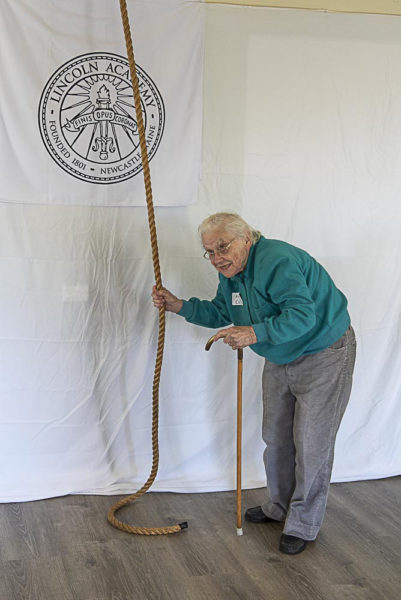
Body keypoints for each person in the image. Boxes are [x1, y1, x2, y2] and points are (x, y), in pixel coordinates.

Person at [152, 212, 356, 555]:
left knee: (311, 443)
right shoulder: (233, 275)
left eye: (223, 247)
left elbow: (302, 315)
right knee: (275, 437)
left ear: (246, 238)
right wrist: (179, 306)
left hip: (324, 352)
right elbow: (224, 310)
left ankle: (304, 523)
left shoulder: (276, 260)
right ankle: (279, 507)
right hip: (280, 353)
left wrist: (253, 332)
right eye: (210, 252)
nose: (217, 258)